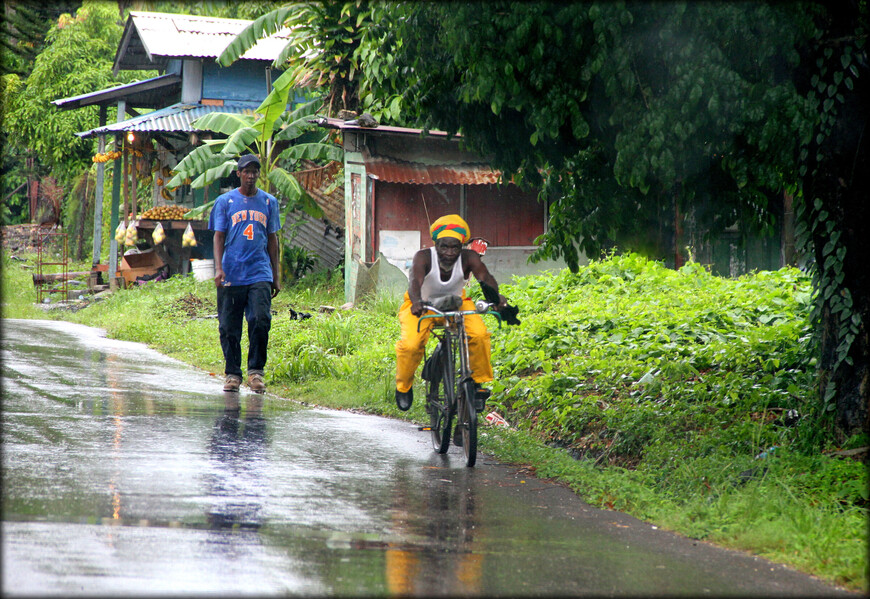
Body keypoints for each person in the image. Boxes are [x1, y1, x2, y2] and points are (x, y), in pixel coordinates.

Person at [394, 214, 506, 411]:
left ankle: (477, 384)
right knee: (411, 345)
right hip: (422, 303)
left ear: (462, 246)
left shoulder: (469, 258)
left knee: (479, 335)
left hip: (456, 303)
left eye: (454, 247)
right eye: (443, 247)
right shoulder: (423, 257)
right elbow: (414, 282)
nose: (449, 252)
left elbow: (485, 278)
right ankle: (403, 387)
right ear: (435, 244)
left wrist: (496, 299)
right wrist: (417, 302)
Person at [209, 154, 281, 393]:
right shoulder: (224, 202)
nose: (251, 176)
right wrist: (219, 268)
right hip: (231, 272)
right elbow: (218, 237)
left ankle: (256, 372)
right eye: (246, 172)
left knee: (260, 320)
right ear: (238, 174)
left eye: (254, 172)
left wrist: (276, 276)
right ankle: (232, 374)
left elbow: (273, 240)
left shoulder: (269, 202)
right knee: (229, 327)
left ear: (259, 174)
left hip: (259, 271)